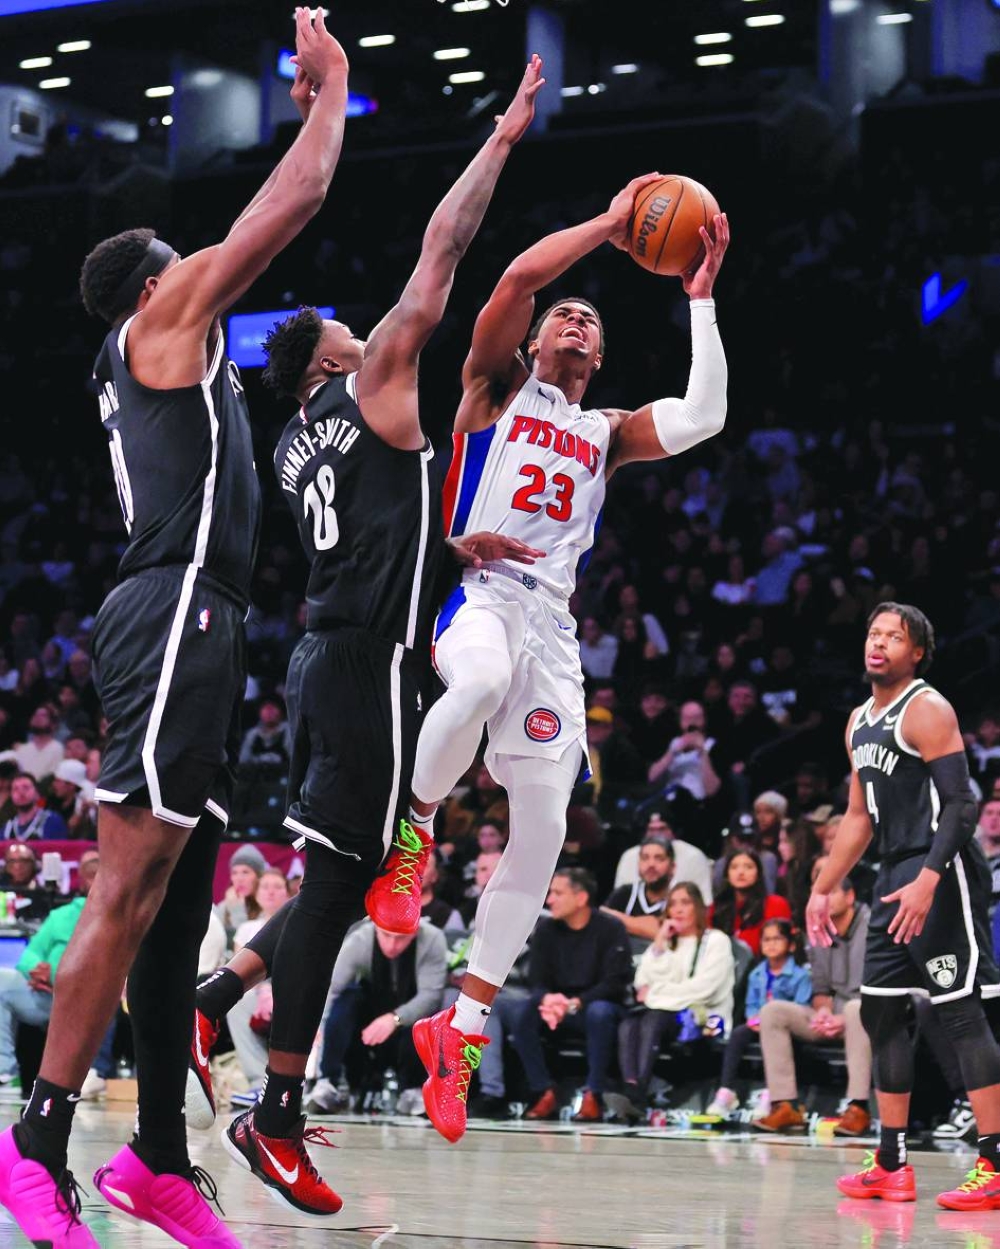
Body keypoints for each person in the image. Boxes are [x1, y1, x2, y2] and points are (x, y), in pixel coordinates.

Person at [0, 12, 355, 1247]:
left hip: (206, 620)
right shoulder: (163, 324)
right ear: (160, 281)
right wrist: (330, 88)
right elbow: (296, 196)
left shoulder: (166, 347)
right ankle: (34, 1138)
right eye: (184, 253)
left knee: (179, 897)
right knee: (123, 882)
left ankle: (157, 1154)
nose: (203, 258)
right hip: (169, 610)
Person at [184, 60, 548, 1217]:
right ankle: (275, 1110)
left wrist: (449, 551)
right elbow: (441, 254)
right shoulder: (375, 380)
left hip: (322, 657)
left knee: (338, 868)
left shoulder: (298, 440)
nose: (364, 320)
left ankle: (212, 996)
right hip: (369, 669)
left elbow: (371, 533)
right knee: (351, 879)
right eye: (348, 326)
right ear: (334, 358)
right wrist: (497, 142)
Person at [385, 193, 729, 1144]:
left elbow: (705, 416)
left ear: (602, 356)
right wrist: (614, 222)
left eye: (593, 319)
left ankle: (456, 1029)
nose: (576, 318)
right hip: (478, 590)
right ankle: (414, 831)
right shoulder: (494, 391)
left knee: (541, 829)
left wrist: (698, 296)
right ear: (535, 344)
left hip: (554, 626)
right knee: (479, 684)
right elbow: (515, 278)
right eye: (563, 316)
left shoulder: (607, 430)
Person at [811, 604, 1000, 1208]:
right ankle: (891, 1162)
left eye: (895, 636)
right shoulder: (858, 721)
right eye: (874, 633)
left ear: (916, 652)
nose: (880, 643)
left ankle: (995, 1164)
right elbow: (859, 817)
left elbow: (962, 805)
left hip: (941, 872)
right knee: (882, 1015)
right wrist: (822, 887)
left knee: (961, 1014)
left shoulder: (927, 707)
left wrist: (928, 878)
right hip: (892, 873)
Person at [507, 869, 633, 1123]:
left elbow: (615, 982)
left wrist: (576, 1003)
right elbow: (536, 981)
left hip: (598, 1004)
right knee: (522, 1013)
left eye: (558, 893)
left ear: (581, 898)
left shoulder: (610, 928)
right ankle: (543, 1090)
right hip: (557, 1006)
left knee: (600, 1013)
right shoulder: (546, 930)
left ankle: (593, 1095)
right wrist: (547, 1000)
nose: (550, 900)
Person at [755, 867, 872, 1137]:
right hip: (835, 1016)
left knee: (855, 1009)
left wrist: (842, 1018)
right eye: (819, 893)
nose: (823, 900)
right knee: (773, 1011)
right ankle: (786, 1105)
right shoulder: (817, 929)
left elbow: (881, 986)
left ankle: (858, 1107)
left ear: (850, 895)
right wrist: (823, 1013)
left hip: (870, 1013)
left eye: (830, 892)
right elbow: (821, 988)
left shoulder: (873, 926)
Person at [304, 920, 448, 1115]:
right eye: (386, 935)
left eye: (401, 938)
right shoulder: (360, 940)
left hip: (410, 1025)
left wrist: (395, 1018)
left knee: (435, 1012)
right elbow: (331, 990)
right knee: (347, 999)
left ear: (415, 931)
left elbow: (431, 996)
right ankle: (329, 1081)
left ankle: (413, 1087)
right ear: (376, 928)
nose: (392, 945)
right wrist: (314, 1024)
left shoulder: (432, 939)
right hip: (367, 1023)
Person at [618, 882, 734, 1115]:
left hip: (704, 1017)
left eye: (686, 903)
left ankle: (639, 1091)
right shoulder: (666, 942)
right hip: (664, 1011)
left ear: (699, 907)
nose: (678, 909)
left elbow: (704, 989)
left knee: (654, 1018)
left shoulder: (716, 941)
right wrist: (660, 942)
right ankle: (631, 1087)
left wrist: (658, 993)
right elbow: (642, 981)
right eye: (673, 904)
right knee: (629, 1023)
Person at [0, 851, 103, 1100]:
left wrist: (56, 975)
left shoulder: (113, 921)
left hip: (91, 999)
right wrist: (37, 972)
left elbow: (103, 969)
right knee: (2, 981)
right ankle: (6, 1074)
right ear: (83, 881)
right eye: (91, 878)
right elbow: (28, 956)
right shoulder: (62, 915)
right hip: (47, 997)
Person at [707, 917, 811, 1117]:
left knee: (779, 1043)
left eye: (777, 939)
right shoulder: (756, 974)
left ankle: (772, 1092)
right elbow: (751, 1004)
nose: (771, 944)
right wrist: (754, 1019)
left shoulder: (800, 976)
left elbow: (802, 1006)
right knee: (738, 1035)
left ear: (790, 945)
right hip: (759, 1025)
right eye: (766, 940)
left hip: (785, 1029)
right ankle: (727, 1091)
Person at [613, 811, 714, 903]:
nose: (656, 834)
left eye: (662, 829)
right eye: (651, 829)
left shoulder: (694, 856)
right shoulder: (629, 856)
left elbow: (705, 901)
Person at [711, 850, 791, 957]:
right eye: (734, 867)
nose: (741, 872)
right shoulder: (716, 908)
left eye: (748, 867)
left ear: (758, 874)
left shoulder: (775, 905)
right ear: (727, 875)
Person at [602, 836, 675, 942]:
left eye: (659, 858)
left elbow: (661, 932)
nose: (651, 864)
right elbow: (601, 920)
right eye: (645, 858)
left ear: (673, 867)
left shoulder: (679, 897)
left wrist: (618, 919)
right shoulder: (625, 893)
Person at [0, 773, 68, 842]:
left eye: (26, 788)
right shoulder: (7, 828)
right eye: (15, 789)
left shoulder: (52, 821)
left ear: (37, 793)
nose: (21, 792)